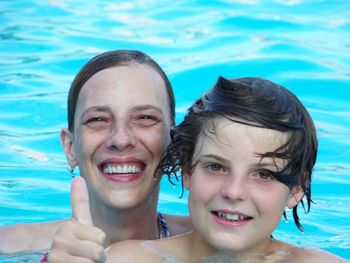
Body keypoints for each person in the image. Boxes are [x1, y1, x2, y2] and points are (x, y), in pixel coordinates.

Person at [106, 76, 347, 262]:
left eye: (264, 174)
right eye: (216, 167)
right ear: (187, 170)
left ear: (296, 190)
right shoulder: (125, 259)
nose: (234, 192)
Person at [0, 50, 192, 261]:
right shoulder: (11, 246)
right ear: (70, 147)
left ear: (174, 143)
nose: (121, 140)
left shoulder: (216, 243)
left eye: (145, 118)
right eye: (98, 120)